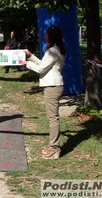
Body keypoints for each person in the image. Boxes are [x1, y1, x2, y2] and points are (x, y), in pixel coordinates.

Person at [22, 26, 66, 159]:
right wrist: (31, 56)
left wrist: (26, 64)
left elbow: (41, 69)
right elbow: (44, 65)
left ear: (51, 37)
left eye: (46, 35)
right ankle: (53, 146)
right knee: (52, 118)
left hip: (52, 86)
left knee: (53, 118)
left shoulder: (52, 51)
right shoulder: (57, 49)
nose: (45, 37)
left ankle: (54, 148)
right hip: (54, 85)